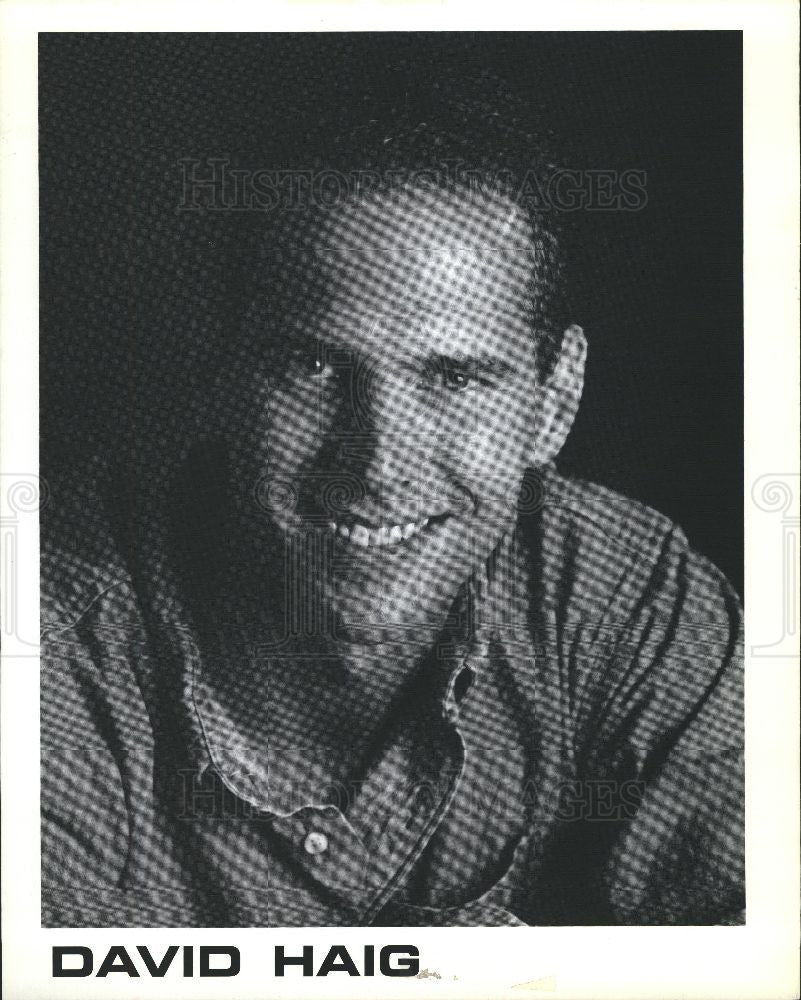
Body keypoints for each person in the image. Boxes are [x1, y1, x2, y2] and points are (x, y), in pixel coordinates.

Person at [41, 102, 744, 927]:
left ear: (553, 402)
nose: (377, 462)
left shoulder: (627, 597)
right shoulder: (43, 627)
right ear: (221, 368)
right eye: (311, 366)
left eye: (454, 379)